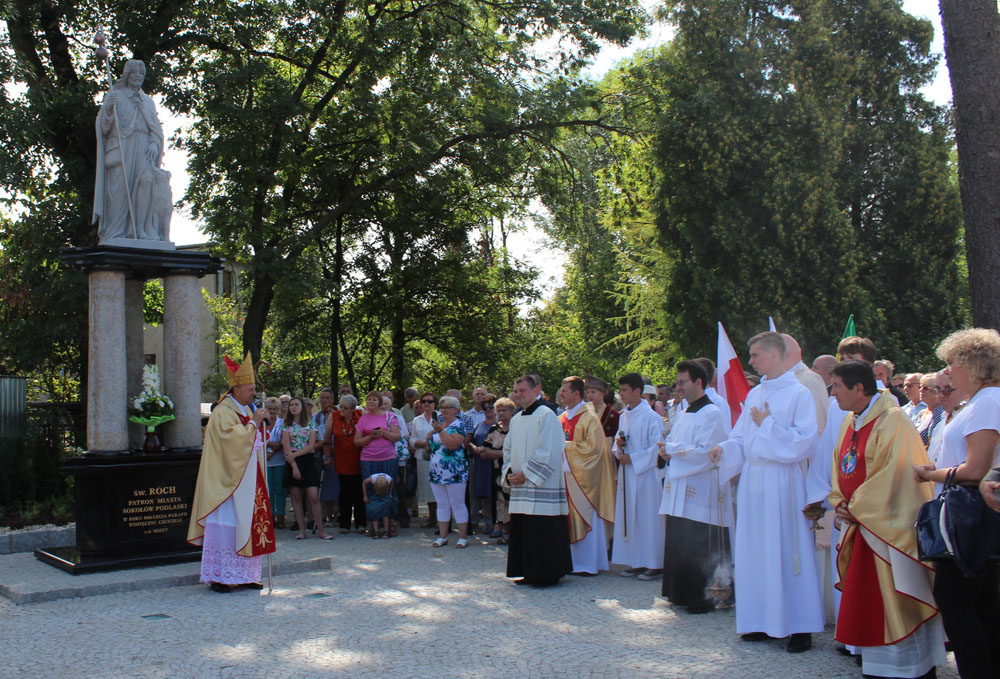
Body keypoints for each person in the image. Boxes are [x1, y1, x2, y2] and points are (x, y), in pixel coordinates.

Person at [828, 360, 944, 679]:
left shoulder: (893, 420)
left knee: (894, 597)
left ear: (859, 389)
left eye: (837, 386)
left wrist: (855, 506)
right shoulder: (849, 421)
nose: (833, 393)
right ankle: (879, 668)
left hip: (888, 529)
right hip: (862, 525)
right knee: (870, 600)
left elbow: (896, 472)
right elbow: (841, 466)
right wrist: (839, 501)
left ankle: (912, 667)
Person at [709, 331, 822, 653]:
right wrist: (724, 448)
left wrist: (769, 424)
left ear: (775, 355)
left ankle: (799, 626)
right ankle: (759, 620)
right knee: (755, 551)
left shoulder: (798, 393)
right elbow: (742, 437)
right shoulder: (756, 394)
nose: (751, 361)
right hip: (754, 481)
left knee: (786, 550)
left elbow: (805, 442)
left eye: (757, 355)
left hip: (782, 482)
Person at [913, 329, 1000, 679]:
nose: (947, 372)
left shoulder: (988, 402)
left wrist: (928, 475)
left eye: (951, 363)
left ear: (972, 364)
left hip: (972, 517)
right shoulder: (981, 401)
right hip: (973, 514)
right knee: (982, 604)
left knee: (956, 601)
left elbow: (975, 469)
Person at [187, 352, 274, 592]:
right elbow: (230, 442)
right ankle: (220, 576)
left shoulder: (246, 410)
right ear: (236, 390)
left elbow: (251, 438)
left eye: (254, 389)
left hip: (245, 480)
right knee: (226, 525)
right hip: (226, 483)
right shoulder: (223, 411)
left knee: (246, 523)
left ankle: (246, 575)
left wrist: (256, 426)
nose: (254, 393)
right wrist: (254, 424)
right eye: (250, 389)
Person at [658, 360, 732, 613]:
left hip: (700, 487)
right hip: (680, 484)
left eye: (682, 382)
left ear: (698, 382)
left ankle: (701, 597)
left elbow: (706, 453)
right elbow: (678, 445)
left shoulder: (712, 413)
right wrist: (669, 451)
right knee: (680, 538)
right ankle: (678, 592)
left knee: (697, 541)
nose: (677, 387)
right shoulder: (685, 411)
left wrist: (672, 451)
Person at [92, 59, 172, 243]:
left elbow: (156, 129)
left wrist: (153, 142)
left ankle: (142, 229)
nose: (138, 77)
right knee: (118, 191)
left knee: (145, 184)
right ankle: (116, 232)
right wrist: (108, 111)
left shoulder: (147, 101)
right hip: (122, 147)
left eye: (141, 74)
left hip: (144, 148)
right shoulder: (115, 95)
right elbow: (104, 128)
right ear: (127, 75)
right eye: (134, 73)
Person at [503, 375, 572, 586]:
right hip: (520, 484)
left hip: (541, 484)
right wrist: (510, 473)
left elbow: (549, 450)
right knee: (524, 528)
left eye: (523, 390)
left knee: (542, 528)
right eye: (516, 391)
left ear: (536, 390)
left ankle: (547, 574)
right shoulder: (515, 419)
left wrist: (526, 474)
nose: (519, 394)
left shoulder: (546, 415)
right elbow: (508, 449)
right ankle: (527, 571)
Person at [559, 376, 616, 576]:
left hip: (583, 480)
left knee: (585, 515)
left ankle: (588, 563)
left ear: (576, 393)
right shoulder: (562, 417)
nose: (561, 393)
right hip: (565, 476)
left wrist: (564, 447)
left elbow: (594, 450)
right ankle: (571, 562)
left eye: (565, 390)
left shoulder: (589, 417)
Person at [612, 373, 666, 580]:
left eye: (625, 390)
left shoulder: (651, 417)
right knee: (630, 517)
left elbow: (657, 448)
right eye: (621, 390)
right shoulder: (624, 416)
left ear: (637, 391)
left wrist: (633, 459)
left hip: (645, 476)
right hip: (628, 474)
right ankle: (635, 560)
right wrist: (619, 447)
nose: (621, 395)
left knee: (647, 518)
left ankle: (654, 563)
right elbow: (618, 441)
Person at [283, 397, 332, 540]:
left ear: (302, 407)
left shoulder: (311, 424)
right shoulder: (286, 425)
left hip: (308, 460)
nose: (293, 407)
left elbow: (311, 446)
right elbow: (286, 448)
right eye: (291, 405)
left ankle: (321, 530)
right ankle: (301, 530)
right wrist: (293, 465)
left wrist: (294, 455)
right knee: (296, 496)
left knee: (313, 496)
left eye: (296, 404)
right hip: (293, 462)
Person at [354, 391, 402, 536]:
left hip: (387, 458)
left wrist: (383, 433)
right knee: (370, 491)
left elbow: (397, 436)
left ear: (380, 402)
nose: (371, 402)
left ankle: (391, 523)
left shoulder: (389, 417)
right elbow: (356, 442)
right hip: (368, 459)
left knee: (390, 490)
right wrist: (370, 438)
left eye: (374, 400)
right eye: (368, 399)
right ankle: (373, 523)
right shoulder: (363, 419)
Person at [426, 395, 469, 548]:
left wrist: (440, 431)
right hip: (437, 470)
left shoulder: (459, 425)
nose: (443, 410)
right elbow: (431, 443)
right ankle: (443, 536)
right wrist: (432, 434)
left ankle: (462, 537)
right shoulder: (439, 424)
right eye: (442, 407)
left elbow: (452, 444)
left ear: (456, 410)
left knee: (457, 503)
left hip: (454, 470)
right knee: (442, 504)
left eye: (447, 407)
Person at [474, 397, 514, 544]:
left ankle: (512, 531)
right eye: (499, 410)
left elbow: (515, 451)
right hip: (496, 470)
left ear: (512, 411)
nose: (501, 413)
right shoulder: (494, 428)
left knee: (511, 500)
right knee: (499, 500)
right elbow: (486, 445)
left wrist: (495, 453)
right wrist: (479, 449)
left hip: (512, 470)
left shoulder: (517, 428)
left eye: (504, 410)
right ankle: (503, 530)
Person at [327, 394, 365, 534]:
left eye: (345, 408)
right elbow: (326, 438)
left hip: (360, 459)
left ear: (353, 409)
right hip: (342, 460)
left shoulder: (361, 415)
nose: (341, 409)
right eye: (341, 406)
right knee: (345, 493)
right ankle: (345, 523)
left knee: (360, 493)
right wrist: (326, 457)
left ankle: (361, 523)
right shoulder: (334, 415)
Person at [469, 395, 499, 537]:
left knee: (493, 494)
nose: (488, 410)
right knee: (481, 494)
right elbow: (470, 441)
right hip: (480, 464)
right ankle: (485, 523)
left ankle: (496, 524)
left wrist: (489, 452)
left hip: (495, 464)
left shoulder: (501, 425)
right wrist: (475, 448)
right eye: (485, 407)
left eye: (490, 407)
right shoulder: (479, 425)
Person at [409, 392, 440, 527]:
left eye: (430, 401)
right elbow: (412, 439)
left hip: (439, 457)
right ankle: (431, 516)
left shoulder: (441, 417)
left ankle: (441, 517)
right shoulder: (417, 420)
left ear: (435, 403)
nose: (427, 404)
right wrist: (421, 444)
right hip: (423, 457)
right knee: (427, 487)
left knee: (439, 487)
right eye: (424, 401)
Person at [263, 397, 286, 529]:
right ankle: (269, 517)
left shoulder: (282, 423)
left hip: (279, 460)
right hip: (265, 462)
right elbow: (258, 439)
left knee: (280, 490)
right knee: (268, 491)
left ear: (278, 410)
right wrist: (271, 445)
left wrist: (272, 450)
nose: (272, 411)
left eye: (274, 409)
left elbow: (284, 441)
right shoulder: (262, 423)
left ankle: (281, 517)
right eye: (269, 409)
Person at [585, 375, 619, 461]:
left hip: (607, 457)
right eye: (588, 392)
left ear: (602, 393)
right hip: (589, 456)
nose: (590, 395)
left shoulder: (613, 415)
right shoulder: (585, 413)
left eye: (593, 392)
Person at [363, 473, 394, 539]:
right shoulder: (372, 478)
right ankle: (376, 531)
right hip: (374, 496)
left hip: (385, 496)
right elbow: (364, 483)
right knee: (374, 511)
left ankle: (386, 531)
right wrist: (365, 496)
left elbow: (392, 483)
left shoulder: (389, 479)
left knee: (385, 513)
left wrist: (390, 492)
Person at [915, 373, 943, 447]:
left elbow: (932, 443)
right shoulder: (922, 413)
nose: (921, 390)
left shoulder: (940, 413)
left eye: (925, 388)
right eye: (920, 387)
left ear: (936, 391)